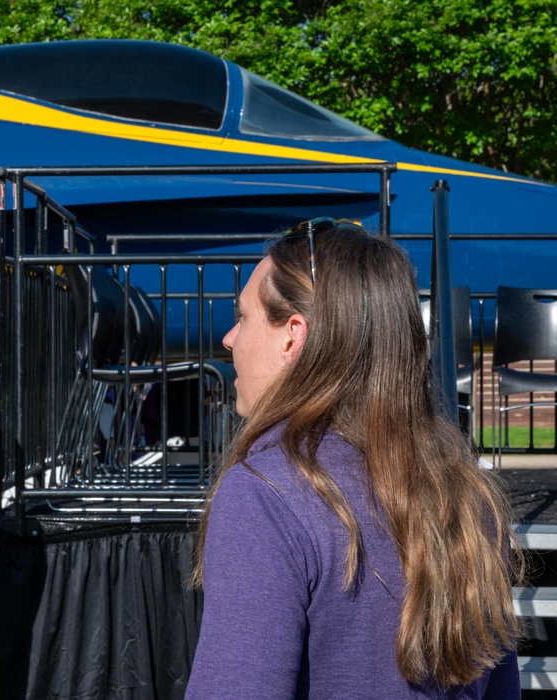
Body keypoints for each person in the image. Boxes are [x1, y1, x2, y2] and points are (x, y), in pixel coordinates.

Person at [187, 218, 522, 698]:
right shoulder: (469, 498)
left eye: (243, 318)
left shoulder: (266, 495)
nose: (229, 339)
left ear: (292, 336)